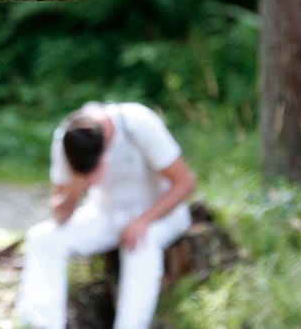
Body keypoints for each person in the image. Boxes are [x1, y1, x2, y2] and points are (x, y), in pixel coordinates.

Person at [16, 101, 196, 329]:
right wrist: (77, 188)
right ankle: (41, 325)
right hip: (106, 213)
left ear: (106, 143)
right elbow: (59, 216)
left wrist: (143, 220)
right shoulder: (67, 139)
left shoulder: (137, 122)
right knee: (42, 238)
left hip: (161, 214)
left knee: (141, 242)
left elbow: (185, 184)